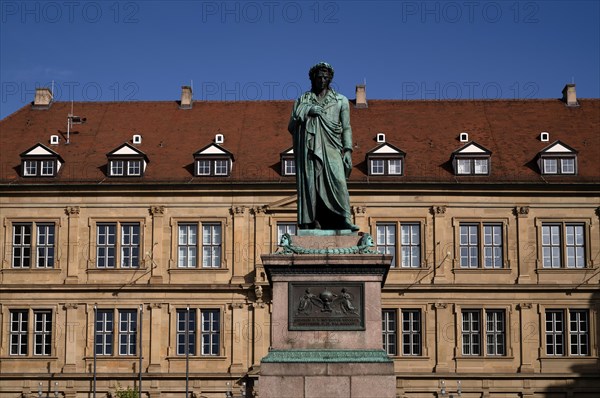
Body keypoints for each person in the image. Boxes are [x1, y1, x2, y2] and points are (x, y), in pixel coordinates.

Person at [288, 62, 359, 231]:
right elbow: (291, 126)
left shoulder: (341, 100)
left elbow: (346, 127)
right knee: (312, 184)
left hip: (332, 146)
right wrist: (308, 111)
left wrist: (348, 150)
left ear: (330, 79)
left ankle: (344, 218)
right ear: (313, 78)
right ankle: (314, 221)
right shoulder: (302, 100)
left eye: (325, 77)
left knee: (339, 181)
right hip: (310, 149)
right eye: (318, 77)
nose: (322, 80)